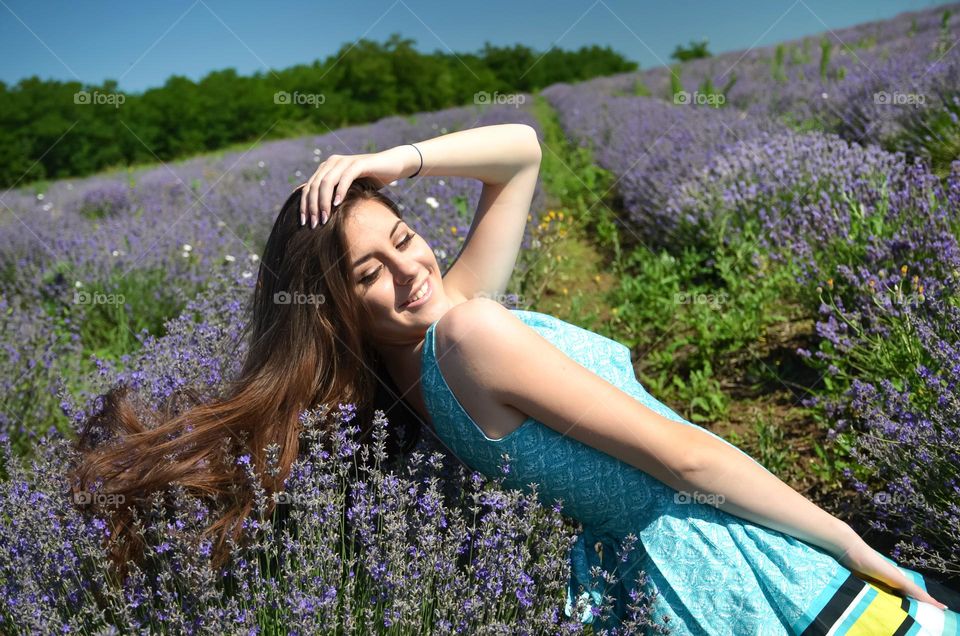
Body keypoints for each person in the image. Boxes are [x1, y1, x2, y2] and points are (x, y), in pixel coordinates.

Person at [72, 123, 958, 634]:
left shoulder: (416, 361)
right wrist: (847, 537)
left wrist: (390, 162)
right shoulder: (469, 333)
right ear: (335, 307)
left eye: (404, 236)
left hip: (644, 585)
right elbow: (686, 461)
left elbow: (524, 152)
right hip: (719, 551)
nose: (410, 268)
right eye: (369, 272)